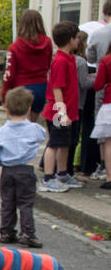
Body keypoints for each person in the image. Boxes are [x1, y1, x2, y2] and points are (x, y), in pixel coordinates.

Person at [0, 88, 49, 247]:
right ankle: (28, 233)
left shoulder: (0, 131)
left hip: (7, 171)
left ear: (6, 109)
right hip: (26, 170)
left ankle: (7, 231)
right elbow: (42, 136)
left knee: (7, 201)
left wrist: (1, 161)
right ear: (29, 109)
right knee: (26, 203)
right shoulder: (34, 129)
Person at [39, 20, 81, 193]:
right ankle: (48, 178)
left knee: (65, 144)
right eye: (77, 37)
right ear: (70, 39)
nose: (78, 40)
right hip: (59, 113)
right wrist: (62, 114)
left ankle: (62, 174)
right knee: (54, 144)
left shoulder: (68, 59)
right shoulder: (60, 61)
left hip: (68, 111)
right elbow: (57, 88)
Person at [1, 9, 53, 121]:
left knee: (20, 127)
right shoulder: (48, 43)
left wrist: (4, 95)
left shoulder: (14, 47)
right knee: (33, 125)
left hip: (21, 90)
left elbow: (9, 75)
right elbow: (49, 65)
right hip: (41, 87)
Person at [69, 31, 95, 179]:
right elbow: (84, 83)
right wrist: (97, 77)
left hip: (63, 104)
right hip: (76, 103)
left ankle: (54, 168)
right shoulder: (80, 61)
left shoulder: (62, 58)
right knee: (75, 136)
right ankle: (71, 168)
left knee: (61, 138)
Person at [93, 46, 111, 189]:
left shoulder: (106, 60)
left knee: (108, 142)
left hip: (109, 103)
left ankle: (110, 177)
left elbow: (98, 85)